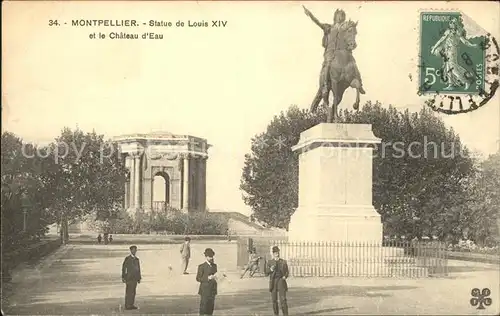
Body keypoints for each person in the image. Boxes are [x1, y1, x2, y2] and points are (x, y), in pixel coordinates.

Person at [265, 246, 289, 316]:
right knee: (274, 300)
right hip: (273, 282)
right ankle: (276, 314)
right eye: (275, 252)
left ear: (279, 252)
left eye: (277, 252)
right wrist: (271, 270)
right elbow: (266, 273)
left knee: (283, 300)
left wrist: (285, 276)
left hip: (281, 281)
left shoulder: (283, 262)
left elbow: (287, 271)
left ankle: (285, 314)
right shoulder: (270, 262)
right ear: (273, 253)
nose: (276, 253)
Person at [196, 248, 218, 316]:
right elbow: (198, 278)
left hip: (212, 289)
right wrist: (207, 278)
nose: (211, 258)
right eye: (209, 256)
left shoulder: (214, 266)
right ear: (206, 257)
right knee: (203, 307)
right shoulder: (201, 266)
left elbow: (215, 275)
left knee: (211, 307)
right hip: (205, 290)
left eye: (212, 256)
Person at [122, 245, 141, 310]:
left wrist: (139, 278)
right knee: (128, 292)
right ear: (130, 251)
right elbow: (124, 268)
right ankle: (127, 305)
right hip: (129, 278)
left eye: (135, 250)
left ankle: (131, 304)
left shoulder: (137, 259)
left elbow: (138, 269)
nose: (134, 251)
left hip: (135, 278)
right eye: (133, 250)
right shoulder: (127, 258)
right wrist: (123, 277)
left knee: (133, 292)